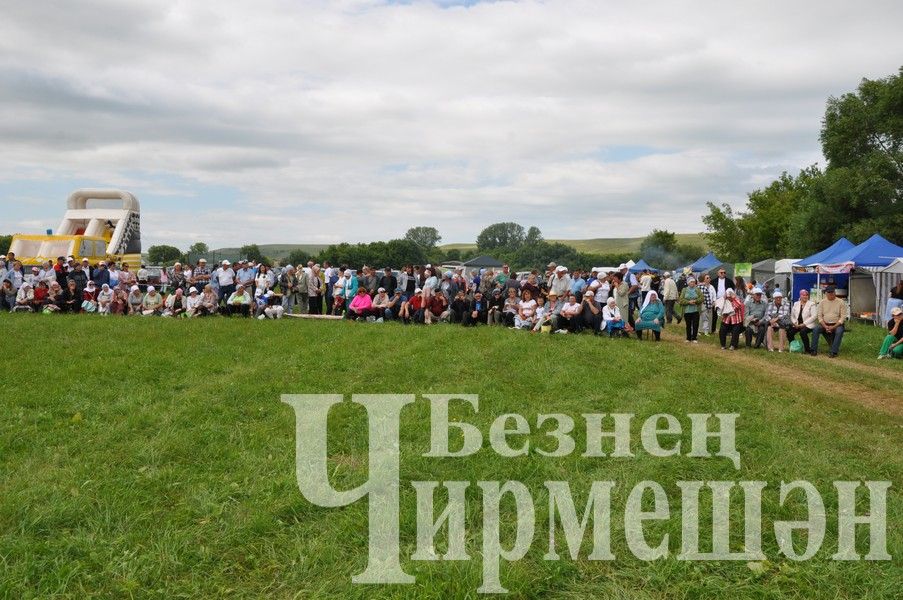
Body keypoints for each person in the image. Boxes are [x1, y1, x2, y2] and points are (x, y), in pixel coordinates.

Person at [678, 277, 701, 342]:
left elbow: (702, 298)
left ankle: (694, 338)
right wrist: (688, 302)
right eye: (691, 282)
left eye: (694, 282)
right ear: (688, 283)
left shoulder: (697, 290)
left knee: (695, 324)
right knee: (688, 324)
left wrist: (695, 301)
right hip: (687, 310)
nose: (693, 283)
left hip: (696, 310)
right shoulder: (684, 290)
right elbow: (681, 300)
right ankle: (688, 338)